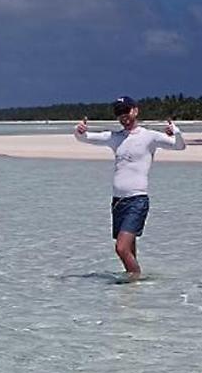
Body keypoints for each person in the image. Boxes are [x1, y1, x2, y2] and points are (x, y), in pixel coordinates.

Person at [74, 96, 186, 275]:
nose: (123, 116)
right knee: (129, 250)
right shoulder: (115, 137)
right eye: (119, 112)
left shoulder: (150, 136)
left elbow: (180, 146)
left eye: (125, 110)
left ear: (135, 110)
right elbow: (85, 138)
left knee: (121, 248)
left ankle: (136, 282)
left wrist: (177, 132)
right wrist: (79, 131)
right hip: (118, 202)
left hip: (137, 200)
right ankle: (132, 295)